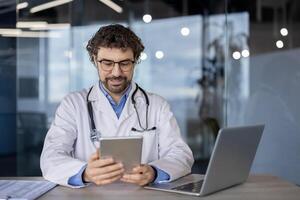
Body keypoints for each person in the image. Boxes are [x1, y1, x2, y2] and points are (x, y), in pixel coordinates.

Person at [40, 24, 194, 188]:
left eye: (125, 63)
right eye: (107, 63)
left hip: (143, 195)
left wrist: (155, 172)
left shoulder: (157, 105)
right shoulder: (73, 105)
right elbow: (51, 157)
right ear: (94, 60)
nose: (116, 72)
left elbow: (181, 154)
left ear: (135, 61)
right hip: (90, 196)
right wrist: (85, 172)